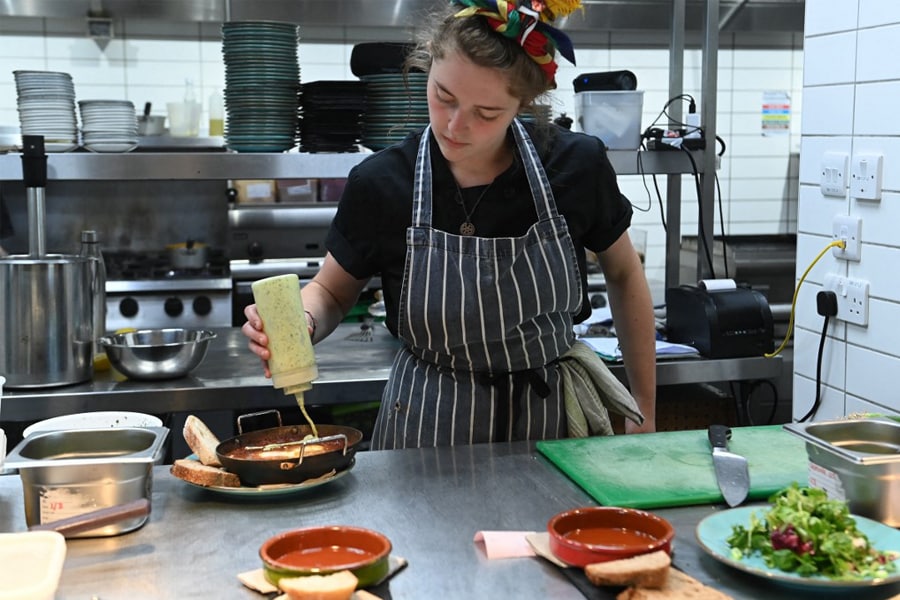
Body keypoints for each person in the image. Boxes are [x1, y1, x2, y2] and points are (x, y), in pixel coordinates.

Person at [242, 0, 658, 449]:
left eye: (486, 113)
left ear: (523, 102)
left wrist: (645, 407)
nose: (456, 126)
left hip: (550, 425)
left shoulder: (575, 166)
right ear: (427, 66)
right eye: (443, 96)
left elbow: (623, 273)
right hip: (427, 425)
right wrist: (300, 320)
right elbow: (330, 292)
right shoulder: (383, 182)